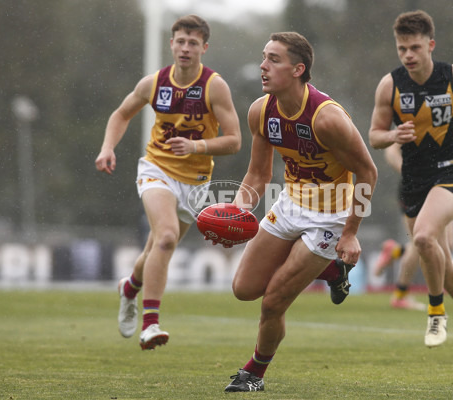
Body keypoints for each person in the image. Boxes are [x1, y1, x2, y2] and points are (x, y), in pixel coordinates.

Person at [223, 32, 377, 392]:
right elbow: (259, 175)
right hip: (290, 205)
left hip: (330, 218)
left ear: (298, 69)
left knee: (273, 300)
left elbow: (368, 172)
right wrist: (236, 209)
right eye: (264, 57)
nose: (263, 66)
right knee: (244, 289)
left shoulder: (327, 119)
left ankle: (254, 375)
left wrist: (350, 232)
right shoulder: (261, 111)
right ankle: (333, 271)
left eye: (273, 59)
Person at [95, 15, 242, 350]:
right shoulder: (154, 83)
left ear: (204, 47)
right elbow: (121, 114)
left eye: (193, 43)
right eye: (180, 41)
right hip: (156, 169)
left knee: (156, 248)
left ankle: (130, 287)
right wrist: (107, 148)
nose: (185, 48)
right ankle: (151, 324)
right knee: (165, 238)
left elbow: (234, 141)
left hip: (196, 181)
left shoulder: (214, 86)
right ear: (171, 44)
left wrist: (197, 146)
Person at [369, 10, 453, 363]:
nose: (408, 55)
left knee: (424, 238)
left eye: (415, 48)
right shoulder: (390, 85)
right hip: (413, 181)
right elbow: (375, 135)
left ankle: (436, 313)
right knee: (443, 262)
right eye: (402, 49)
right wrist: (393, 135)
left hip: (451, 173)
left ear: (430, 45)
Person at [374, 143, 453, 311]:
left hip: (441, 186)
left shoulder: (446, 120)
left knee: (448, 243)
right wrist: (410, 172)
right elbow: (391, 151)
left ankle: (396, 252)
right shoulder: (414, 119)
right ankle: (400, 295)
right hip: (417, 188)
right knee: (420, 241)